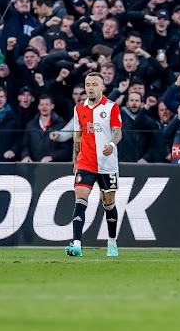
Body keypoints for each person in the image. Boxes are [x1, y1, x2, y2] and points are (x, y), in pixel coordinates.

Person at [65, 72, 123, 257]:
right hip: (86, 162)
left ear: (103, 87)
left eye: (94, 84)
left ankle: (112, 242)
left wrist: (111, 145)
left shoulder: (111, 107)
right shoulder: (79, 109)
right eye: (87, 84)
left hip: (107, 164)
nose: (90, 88)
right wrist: (75, 160)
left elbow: (118, 132)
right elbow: (78, 136)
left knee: (108, 203)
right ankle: (76, 244)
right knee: (80, 199)